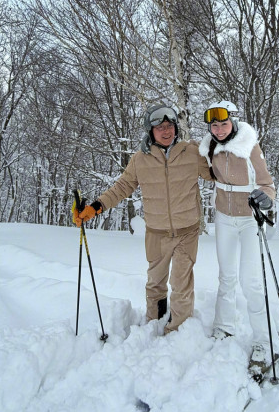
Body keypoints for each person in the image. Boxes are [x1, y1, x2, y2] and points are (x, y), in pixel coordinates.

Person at [73, 103, 212, 334]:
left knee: (181, 284)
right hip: (156, 233)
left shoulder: (192, 152)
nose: (167, 131)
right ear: (150, 131)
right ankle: (154, 322)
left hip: (187, 231)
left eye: (170, 126)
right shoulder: (140, 159)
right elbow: (122, 187)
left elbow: (218, 173)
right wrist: (95, 208)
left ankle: (178, 331)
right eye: (160, 128)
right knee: (155, 283)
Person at [199, 100, 276, 374]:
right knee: (226, 276)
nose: (219, 129)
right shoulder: (209, 147)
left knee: (251, 281)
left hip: (249, 218)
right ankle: (224, 327)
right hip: (224, 217)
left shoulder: (249, 146)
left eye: (223, 123)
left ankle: (264, 342)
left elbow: (267, 182)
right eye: (214, 125)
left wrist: (266, 198)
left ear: (234, 121)